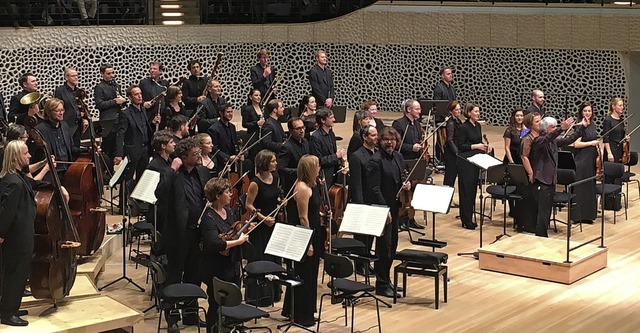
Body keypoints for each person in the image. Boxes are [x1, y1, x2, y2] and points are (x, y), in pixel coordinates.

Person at [163, 137, 210, 330]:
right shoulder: (173, 174)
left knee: (194, 274)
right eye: (195, 154)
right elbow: (159, 192)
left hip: (197, 233)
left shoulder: (202, 172)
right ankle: (172, 318)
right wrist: (172, 168)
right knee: (174, 275)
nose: (199, 156)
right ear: (183, 157)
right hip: (178, 234)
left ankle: (190, 315)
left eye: (199, 152)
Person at [199, 177, 252, 332]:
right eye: (227, 191)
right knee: (216, 305)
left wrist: (244, 229)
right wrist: (238, 242)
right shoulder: (208, 217)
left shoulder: (228, 211)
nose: (231, 194)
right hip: (216, 268)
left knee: (233, 303)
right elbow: (214, 244)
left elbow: (232, 232)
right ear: (217, 195)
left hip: (232, 264)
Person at [0, 140, 43, 327]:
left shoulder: (16, 176)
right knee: (15, 273)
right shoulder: (13, 183)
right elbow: (5, 213)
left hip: (22, 233)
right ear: (17, 157)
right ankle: (8, 313)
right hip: (17, 236)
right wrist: (1, 233)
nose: (30, 156)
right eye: (26, 153)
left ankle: (11, 306)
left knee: (18, 272)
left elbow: (34, 183)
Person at [366, 126, 410, 298]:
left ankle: (386, 280)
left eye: (392, 140)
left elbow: (401, 178)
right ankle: (381, 284)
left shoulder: (398, 157)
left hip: (395, 207)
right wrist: (384, 209)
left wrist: (406, 185)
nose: (389, 142)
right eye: (386, 140)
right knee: (384, 247)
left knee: (393, 246)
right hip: (382, 209)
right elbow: (374, 189)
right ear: (380, 141)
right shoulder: (375, 161)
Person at [522, 115, 584, 237]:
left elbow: (568, 140)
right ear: (546, 129)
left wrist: (582, 128)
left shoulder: (553, 141)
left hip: (550, 180)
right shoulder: (539, 140)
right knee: (543, 211)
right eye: (553, 127)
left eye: (556, 126)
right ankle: (541, 235)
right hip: (542, 180)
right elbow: (548, 138)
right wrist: (561, 128)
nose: (555, 129)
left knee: (547, 210)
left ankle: (543, 233)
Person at [282, 154, 323, 327]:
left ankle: (301, 310)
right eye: (317, 166)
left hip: (313, 231)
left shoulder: (309, 185)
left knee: (311, 274)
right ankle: (302, 315)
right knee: (305, 274)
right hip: (305, 236)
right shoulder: (302, 188)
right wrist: (309, 244)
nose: (320, 168)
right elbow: (303, 217)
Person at [456, 103, 492, 230]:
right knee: (466, 191)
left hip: (475, 161)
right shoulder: (463, 127)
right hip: (465, 162)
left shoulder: (477, 126)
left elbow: (478, 141)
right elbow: (460, 146)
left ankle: (469, 216)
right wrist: (477, 146)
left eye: (478, 111)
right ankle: (466, 219)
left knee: (472, 190)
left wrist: (485, 146)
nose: (478, 113)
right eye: (476, 111)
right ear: (469, 113)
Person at [348, 124, 377, 276]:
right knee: (361, 236)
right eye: (372, 135)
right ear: (365, 137)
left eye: (376, 134)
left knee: (371, 234)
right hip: (363, 200)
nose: (376, 137)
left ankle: (366, 261)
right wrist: (359, 206)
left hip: (375, 200)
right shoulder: (356, 156)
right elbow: (356, 184)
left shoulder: (377, 153)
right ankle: (360, 265)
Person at [34, 98, 84, 178]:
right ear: (48, 113)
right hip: (51, 172)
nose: (61, 113)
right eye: (57, 111)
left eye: (62, 110)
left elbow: (71, 149)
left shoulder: (65, 126)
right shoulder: (40, 130)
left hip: (67, 169)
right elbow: (37, 156)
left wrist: (88, 150)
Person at [570, 102, 600, 225]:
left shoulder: (592, 125)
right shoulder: (579, 126)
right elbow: (575, 144)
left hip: (591, 160)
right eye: (585, 111)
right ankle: (578, 216)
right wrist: (591, 143)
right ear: (581, 112)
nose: (588, 113)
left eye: (589, 111)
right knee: (581, 188)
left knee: (589, 187)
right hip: (582, 160)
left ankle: (589, 215)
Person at [207, 104, 250, 175]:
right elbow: (214, 149)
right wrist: (228, 157)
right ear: (221, 113)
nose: (230, 114)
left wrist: (240, 153)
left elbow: (235, 143)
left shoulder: (232, 127)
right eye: (228, 112)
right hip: (221, 163)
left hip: (232, 162)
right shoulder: (213, 129)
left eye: (231, 112)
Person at [94, 64, 126, 159]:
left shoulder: (116, 85)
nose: (112, 75)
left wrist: (123, 101)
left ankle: (112, 171)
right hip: (107, 122)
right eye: (108, 73)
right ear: (102, 74)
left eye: (113, 72)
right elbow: (99, 104)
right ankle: (106, 170)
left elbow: (120, 102)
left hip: (118, 119)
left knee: (116, 148)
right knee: (107, 148)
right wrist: (115, 101)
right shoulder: (99, 87)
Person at [310, 108, 346, 188]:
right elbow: (318, 160)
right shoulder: (315, 138)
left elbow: (333, 152)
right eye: (331, 118)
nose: (334, 119)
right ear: (323, 120)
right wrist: (336, 156)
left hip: (334, 173)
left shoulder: (331, 133)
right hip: (324, 176)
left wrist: (341, 163)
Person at [502, 107, 526, 223]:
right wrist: (511, 162)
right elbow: (507, 148)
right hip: (511, 159)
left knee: (520, 185)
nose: (520, 118)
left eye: (521, 115)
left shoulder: (526, 130)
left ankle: (520, 209)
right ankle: (512, 209)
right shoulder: (509, 130)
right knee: (511, 185)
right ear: (513, 117)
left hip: (522, 159)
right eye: (517, 116)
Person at [278, 117, 310, 195]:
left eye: (303, 127)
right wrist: (300, 171)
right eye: (298, 128)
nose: (302, 131)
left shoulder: (305, 141)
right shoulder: (286, 147)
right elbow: (281, 169)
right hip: (293, 185)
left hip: (307, 182)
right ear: (291, 131)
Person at [54, 68, 82, 139]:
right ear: (66, 78)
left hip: (78, 125)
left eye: (76, 75)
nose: (76, 78)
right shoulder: (60, 91)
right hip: (66, 125)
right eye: (73, 76)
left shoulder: (78, 91)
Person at [240, 89, 265, 160]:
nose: (258, 97)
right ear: (251, 97)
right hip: (253, 137)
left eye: (259, 95)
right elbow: (244, 124)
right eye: (256, 95)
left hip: (263, 136)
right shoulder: (247, 109)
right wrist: (256, 123)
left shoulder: (263, 108)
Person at [443, 101, 462, 190]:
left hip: (455, 151)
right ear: (451, 111)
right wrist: (457, 152)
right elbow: (449, 140)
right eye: (456, 110)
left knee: (453, 175)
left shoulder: (458, 121)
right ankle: (446, 198)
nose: (459, 111)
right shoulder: (451, 123)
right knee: (450, 177)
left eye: (459, 109)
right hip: (451, 154)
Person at [603, 97, 627, 163]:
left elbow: (621, 135)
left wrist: (626, 138)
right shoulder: (608, 120)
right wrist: (609, 153)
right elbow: (606, 138)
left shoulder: (621, 120)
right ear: (613, 106)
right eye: (620, 105)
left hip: (620, 149)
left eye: (622, 105)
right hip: (611, 149)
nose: (622, 107)